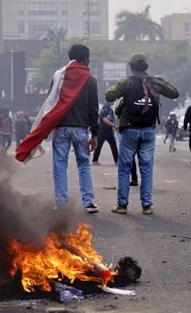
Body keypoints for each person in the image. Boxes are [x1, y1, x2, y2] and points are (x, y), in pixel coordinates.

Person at [14, 44, 100, 213]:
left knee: (60, 166)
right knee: (84, 165)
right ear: (85, 58)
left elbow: (50, 104)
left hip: (61, 129)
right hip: (81, 129)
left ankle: (61, 203)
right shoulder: (90, 79)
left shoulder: (58, 76)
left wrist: (46, 127)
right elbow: (93, 109)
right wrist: (95, 133)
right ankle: (88, 202)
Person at [106, 53, 179, 215]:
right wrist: (159, 80)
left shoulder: (126, 82)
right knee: (146, 168)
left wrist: (122, 91)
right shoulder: (154, 82)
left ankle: (122, 205)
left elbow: (109, 95)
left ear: (131, 67)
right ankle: (146, 206)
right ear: (145, 66)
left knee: (124, 168)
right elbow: (174, 93)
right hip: (148, 129)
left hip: (129, 129)